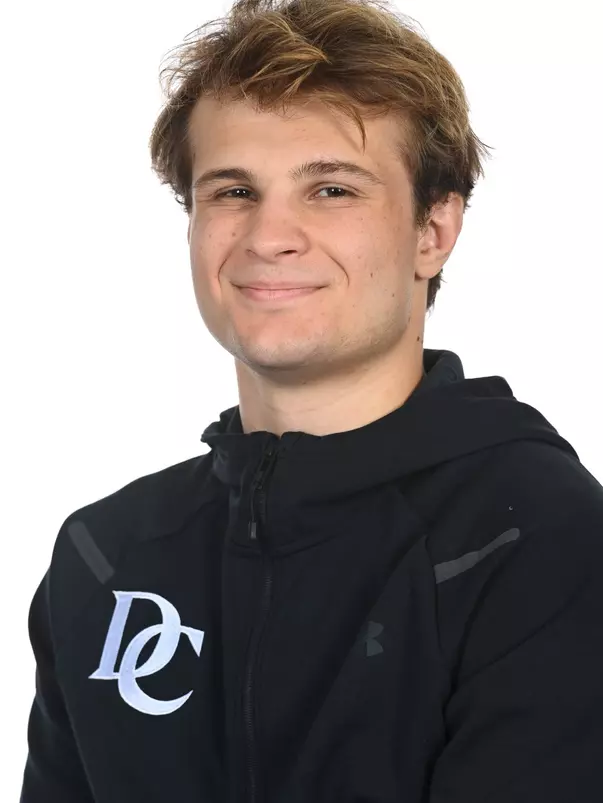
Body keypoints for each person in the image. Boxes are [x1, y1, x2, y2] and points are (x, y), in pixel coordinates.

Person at [20, 0, 603, 801]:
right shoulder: (105, 556)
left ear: (433, 232)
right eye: (232, 190)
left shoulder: (540, 540)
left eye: (330, 189)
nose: (269, 235)